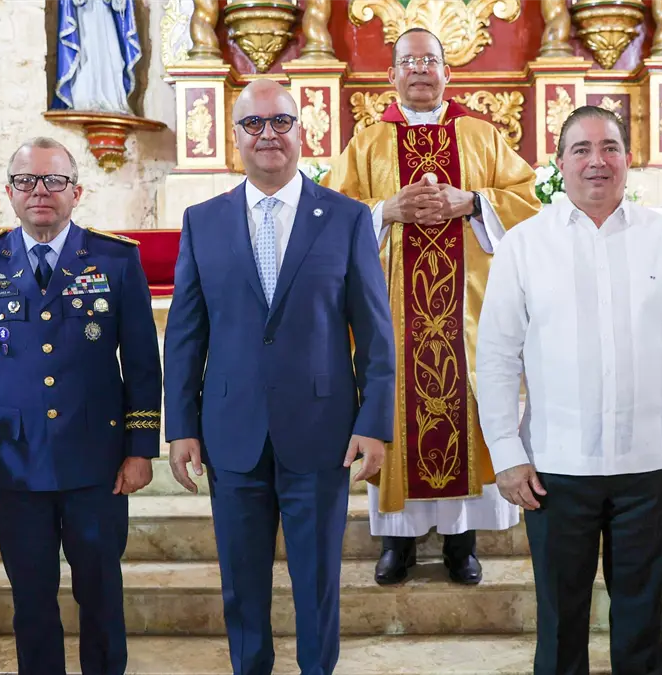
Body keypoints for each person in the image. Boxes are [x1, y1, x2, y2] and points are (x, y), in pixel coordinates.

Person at [476, 106, 662, 675]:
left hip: (650, 466)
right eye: (581, 150)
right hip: (556, 468)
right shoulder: (524, 245)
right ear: (559, 164)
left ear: (628, 160)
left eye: (609, 147)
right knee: (561, 625)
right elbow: (495, 356)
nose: (597, 161)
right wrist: (507, 453)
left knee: (640, 624)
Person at [163, 79, 395, 675]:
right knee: (242, 583)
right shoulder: (203, 221)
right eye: (253, 124)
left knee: (317, 579)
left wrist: (374, 423)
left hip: (320, 430)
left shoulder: (345, 218)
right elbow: (187, 334)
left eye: (281, 122)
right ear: (234, 136)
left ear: (302, 131)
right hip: (231, 429)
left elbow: (374, 332)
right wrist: (180, 426)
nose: (268, 135)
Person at [321, 28, 541, 586]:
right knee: (394, 409)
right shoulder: (367, 144)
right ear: (390, 76)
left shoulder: (481, 136)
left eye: (430, 61)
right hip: (390, 314)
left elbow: (528, 200)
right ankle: (396, 540)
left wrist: (473, 202)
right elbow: (329, 216)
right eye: (408, 62)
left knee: (465, 409)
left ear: (448, 73)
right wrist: (385, 209)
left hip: (467, 315)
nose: (419, 70)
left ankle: (460, 543)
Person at [0, 137, 162, 675]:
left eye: (54, 181)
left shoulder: (114, 258)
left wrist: (140, 448)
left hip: (97, 463)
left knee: (102, 594)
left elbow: (141, 360)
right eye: (26, 182)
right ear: (9, 194)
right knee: (31, 601)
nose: (40, 191)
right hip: (14, 464)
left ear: (76, 191)